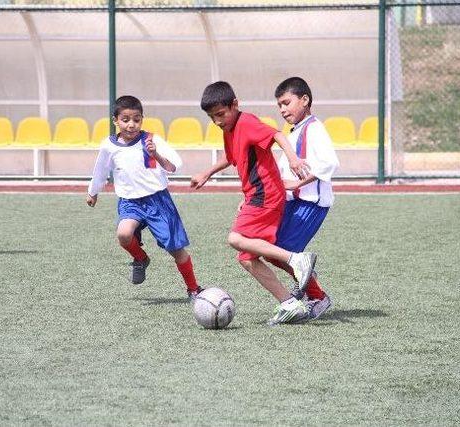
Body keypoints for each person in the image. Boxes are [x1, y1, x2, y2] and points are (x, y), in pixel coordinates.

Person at [190, 81, 317, 326]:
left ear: (234, 105)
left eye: (220, 114)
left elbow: (277, 134)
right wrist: (207, 172)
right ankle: (289, 304)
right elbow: (232, 157)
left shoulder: (246, 122)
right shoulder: (228, 129)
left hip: (266, 194)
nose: (217, 121)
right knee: (247, 258)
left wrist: (292, 159)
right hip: (255, 196)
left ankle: (296, 260)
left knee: (235, 239)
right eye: (211, 117)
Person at [86, 95, 202, 300]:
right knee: (123, 234)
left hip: (158, 201)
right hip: (130, 203)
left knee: (176, 250)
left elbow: (174, 166)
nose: (131, 125)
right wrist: (93, 191)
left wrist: (156, 154)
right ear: (115, 121)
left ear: (142, 119)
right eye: (125, 119)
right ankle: (140, 258)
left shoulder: (151, 140)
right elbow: (100, 170)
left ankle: (193, 289)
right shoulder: (108, 146)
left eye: (136, 119)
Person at [271, 77, 340, 321]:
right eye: (279, 105)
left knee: (281, 251)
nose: (282, 109)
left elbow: (329, 163)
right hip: (293, 203)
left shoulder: (315, 128)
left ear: (305, 100)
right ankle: (309, 281)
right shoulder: (295, 132)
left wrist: (298, 184)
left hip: (310, 205)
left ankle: (317, 296)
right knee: (271, 249)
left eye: (286, 102)